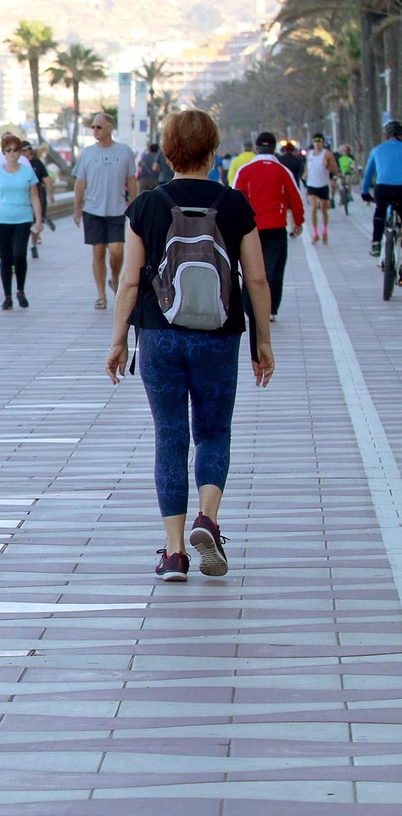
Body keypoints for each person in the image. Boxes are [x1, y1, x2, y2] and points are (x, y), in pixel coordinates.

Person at [107, 109, 273, 582]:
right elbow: (256, 280)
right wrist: (263, 340)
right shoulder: (235, 203)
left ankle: (175, 553)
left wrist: (119, 340)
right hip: (219, 336)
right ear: (213, 149)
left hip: (158, 336)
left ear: (169, 149)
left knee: (170, 437)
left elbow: (129, 283)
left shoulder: (146, 206)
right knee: (213, 432)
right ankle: (209, 518)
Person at [232, 131, 303, 320]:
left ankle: (249, 308)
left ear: (256, 148)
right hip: (277, 227)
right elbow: (295, 197)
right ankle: (270, 309)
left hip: (250, 229)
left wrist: (232, 224)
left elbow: (235, 198)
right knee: (274, 269)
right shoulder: (282, 170)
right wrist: (298, 221)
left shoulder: (245, 170)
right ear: (273, 148)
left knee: (249, 268)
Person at [73, 113, 138, 309]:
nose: (95, 130)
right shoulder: (87, 153)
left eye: (99, 127)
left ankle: (115, 277)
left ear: (110, 127)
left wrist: (134, 203)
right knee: (98, 252)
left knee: (117, 251)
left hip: (116, 209)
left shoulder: (124, 151)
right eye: (93, 127)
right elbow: (80, 181)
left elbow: (131, 179)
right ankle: (101, 294)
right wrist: (77, 207)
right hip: (93, 210)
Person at [0, 134, 44, 310]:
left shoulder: (27, 171)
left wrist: (39, 219)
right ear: (4, 153)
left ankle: (20, 291)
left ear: (20, 152)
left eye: (16, 149)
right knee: (6, 257)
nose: (12, 153)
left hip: (23, 219)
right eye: (9, 150)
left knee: (19, 255)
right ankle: (7, 296)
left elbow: (34, 196)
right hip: (1, 219)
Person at [361, 120, 402, 257]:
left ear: (386, 136)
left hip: (382, 188)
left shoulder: (377, 150)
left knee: (380, 211)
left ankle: (376, 244)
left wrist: (365, 192)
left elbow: (368, 174)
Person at [303, 133, 339, 244]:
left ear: (322, 142)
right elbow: (307, 167)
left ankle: (324, 231)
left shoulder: (327, 154)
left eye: (319, 141)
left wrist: (327, 165)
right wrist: (305, 174)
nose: (317, 143)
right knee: (313, 208)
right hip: (311, 185)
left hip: (323, 185)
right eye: (315, 141)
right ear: (313, 143)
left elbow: (336, 169)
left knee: (323, 210)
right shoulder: (309, 154)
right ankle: (315, 233)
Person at [22, 143, 53, 257]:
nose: (24, 152)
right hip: (23, 199)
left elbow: (46, 178)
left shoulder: (37, 163)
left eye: (26, 150)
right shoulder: (18, 164)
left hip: (36, 196)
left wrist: (50, 193)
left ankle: (33, 244)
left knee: (36, 221)